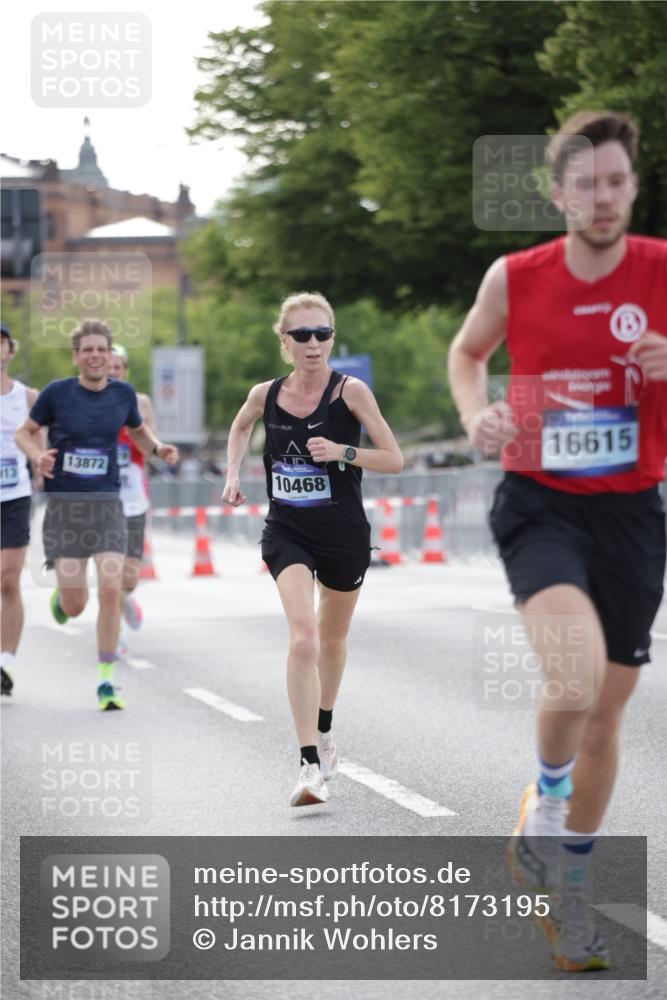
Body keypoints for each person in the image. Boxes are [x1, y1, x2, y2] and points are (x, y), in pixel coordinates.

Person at [449, 111, 667, 972]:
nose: (602, 197)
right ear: (557, 193)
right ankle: (540, 812)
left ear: (631, 187)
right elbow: (467, 355)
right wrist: (478, 418)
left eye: (616, 181)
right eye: (586, 184)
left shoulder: (660, 270)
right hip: (539, 502)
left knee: (606, 713)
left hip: (633, 511)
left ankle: (567, 897)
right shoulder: (516, 276)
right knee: (571, 678)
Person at [222, 292, 403, 807]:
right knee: (302, 638)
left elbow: (394, 459)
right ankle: (308, 765)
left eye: (322, 334)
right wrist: (234, 472)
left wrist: (344, 452)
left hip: (344, 532)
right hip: (288, 532)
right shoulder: (266, 394)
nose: (313, 344)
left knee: (331, 639)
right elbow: (239, 426)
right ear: (284, 342)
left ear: (332, 339)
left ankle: (324, 726)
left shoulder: (352, 392)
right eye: (301, 335)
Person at [15, 321, 178, 710]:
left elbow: (138, 434)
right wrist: (38, 455)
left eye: (101, 350)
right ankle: (63, 597)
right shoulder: (56, 393)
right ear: (76, 356)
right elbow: (25, 431)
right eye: (86, 350)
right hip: (65, 508)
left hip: (107, 506)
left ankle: (106, 682)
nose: (94, 356)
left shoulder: (123, 395)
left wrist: (158, 450)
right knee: (76, 606)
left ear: (110, 356)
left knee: (111, 589)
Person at [0, 325, 41, 695]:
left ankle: (5, 663)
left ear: (10, 350)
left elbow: (41, 435)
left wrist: (42, 465)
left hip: (14, 496)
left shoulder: (27, 397)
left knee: (8, 579)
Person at [108, 344, 156, 652]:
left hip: (134, 496)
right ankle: (115, 637)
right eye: (107, 366)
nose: (111, 372)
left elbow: (151, 445)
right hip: (101, 499)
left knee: (128, 577)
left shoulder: (140, 402)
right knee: (108, 572)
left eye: (117, 367)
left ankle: (127, 599)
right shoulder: (84, 403)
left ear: (124, 371)